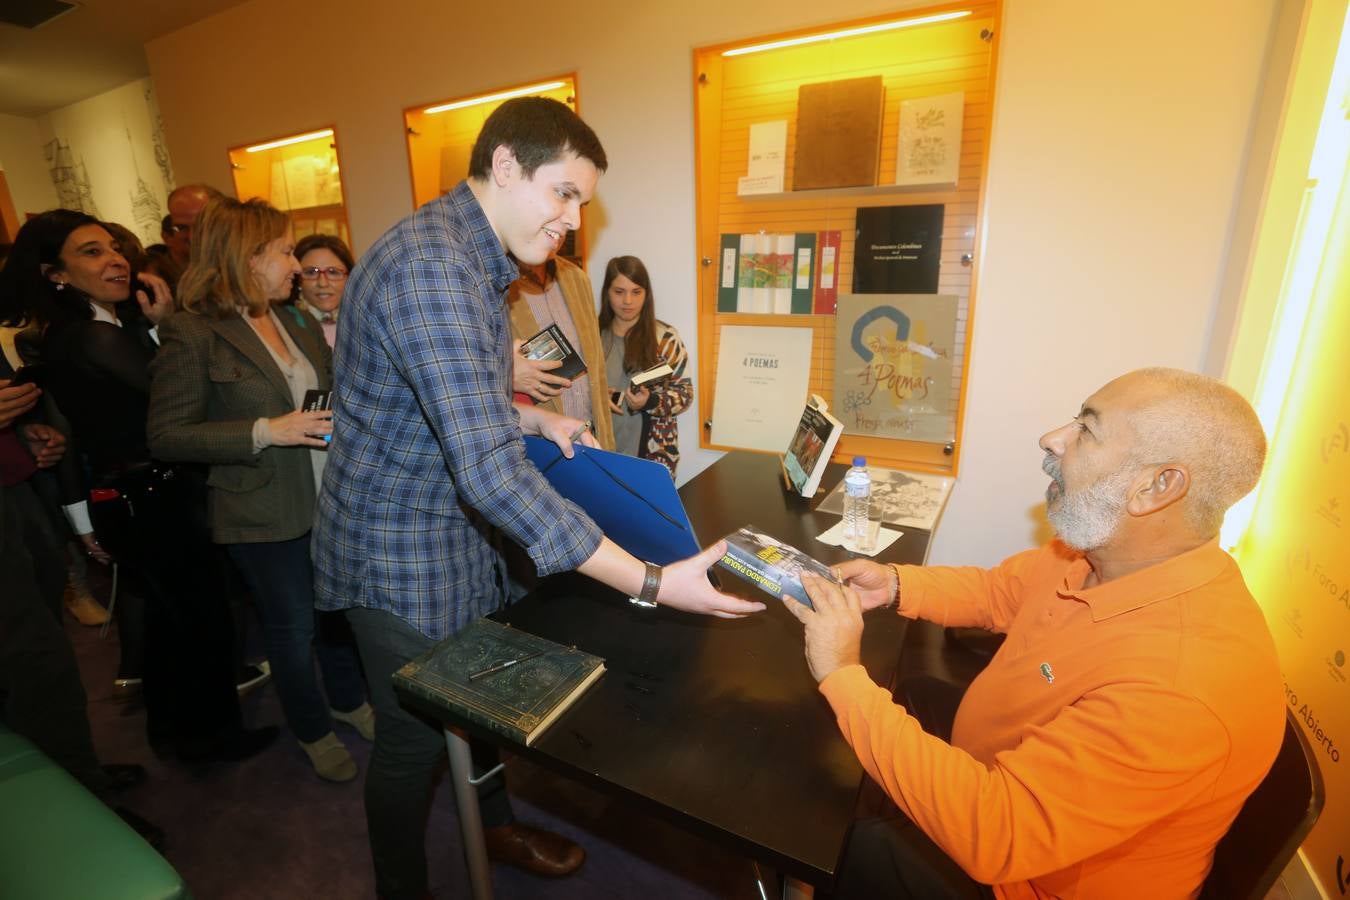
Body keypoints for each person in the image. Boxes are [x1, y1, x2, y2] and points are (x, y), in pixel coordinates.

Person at [312, 96, 763, 900]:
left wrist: (537, 414)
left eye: (582, 203)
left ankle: (498, 831)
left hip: (453, 536)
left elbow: (450, 398)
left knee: (478, 713)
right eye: (564, 193)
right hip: (396, 556)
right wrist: (655, 583)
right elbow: (486, 465)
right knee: (417, 745)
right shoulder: (433, 268)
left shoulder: (469, 258)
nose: (572, 218)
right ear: (508, 166)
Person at [784, 367, 1283, 899]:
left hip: (1028, 881)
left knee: (855, 845)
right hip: (1004, 766)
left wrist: (842, 673)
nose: (1052, 438)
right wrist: (895, 585)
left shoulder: (1182, 689)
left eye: (1087, 430)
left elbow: (998, 836)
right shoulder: (1096, 553)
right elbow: (999, 592)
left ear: (1157, 486)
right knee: (903, 697)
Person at [0, 209, 276, 765]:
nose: (115, 259)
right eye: (91, 252)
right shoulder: (92, 336)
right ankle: (213, 740)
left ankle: (176, 733)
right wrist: (171, 322)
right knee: (201, 621)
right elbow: (177, 395)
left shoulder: (90, 330)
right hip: (154, 494)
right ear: (56, 273)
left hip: (134, 495)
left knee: (173, 626)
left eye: (112, 246)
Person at [148, 197, 372, 782]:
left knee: (337, 615)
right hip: (262, 511)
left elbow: (332, 393)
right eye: (283, 251)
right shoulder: (194, 332)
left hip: (328, 498)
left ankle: (349, 701)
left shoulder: (296, 320)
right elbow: (167, 435)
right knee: (293, 629)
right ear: (245, 258)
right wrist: (264, 430)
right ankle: (313, 728)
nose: (296, 265)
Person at [597, 255, 692, 477]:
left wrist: (650, 401)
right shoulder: (591, 337)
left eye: (636, 292)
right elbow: (571, 391)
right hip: (599, 453)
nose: (627, 301)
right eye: (619, 292)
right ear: (607, 293)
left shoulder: (666, 339)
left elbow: (685, 394)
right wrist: (596, 396)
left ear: (646, 294)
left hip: (652, 458)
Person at [507, 253, 614, 449]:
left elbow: (596, 368)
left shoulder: (577, 278)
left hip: (589, 439)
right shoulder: (496, 282)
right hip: (534, 446)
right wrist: (505, 374)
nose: (570, 223)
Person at [291, 233, 353, 348]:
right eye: (311, 272)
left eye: (333, 272)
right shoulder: (287, 326)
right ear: (296, 279)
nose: (322, 283)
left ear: (349, 277)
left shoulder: (366, 323)